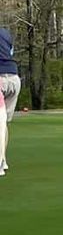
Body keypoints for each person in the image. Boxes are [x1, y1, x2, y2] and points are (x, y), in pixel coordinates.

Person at [0, 26, 20, 177]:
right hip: (14, 78)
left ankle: (0, 164)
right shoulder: (6, 32)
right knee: (3, 123)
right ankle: (3, 161)